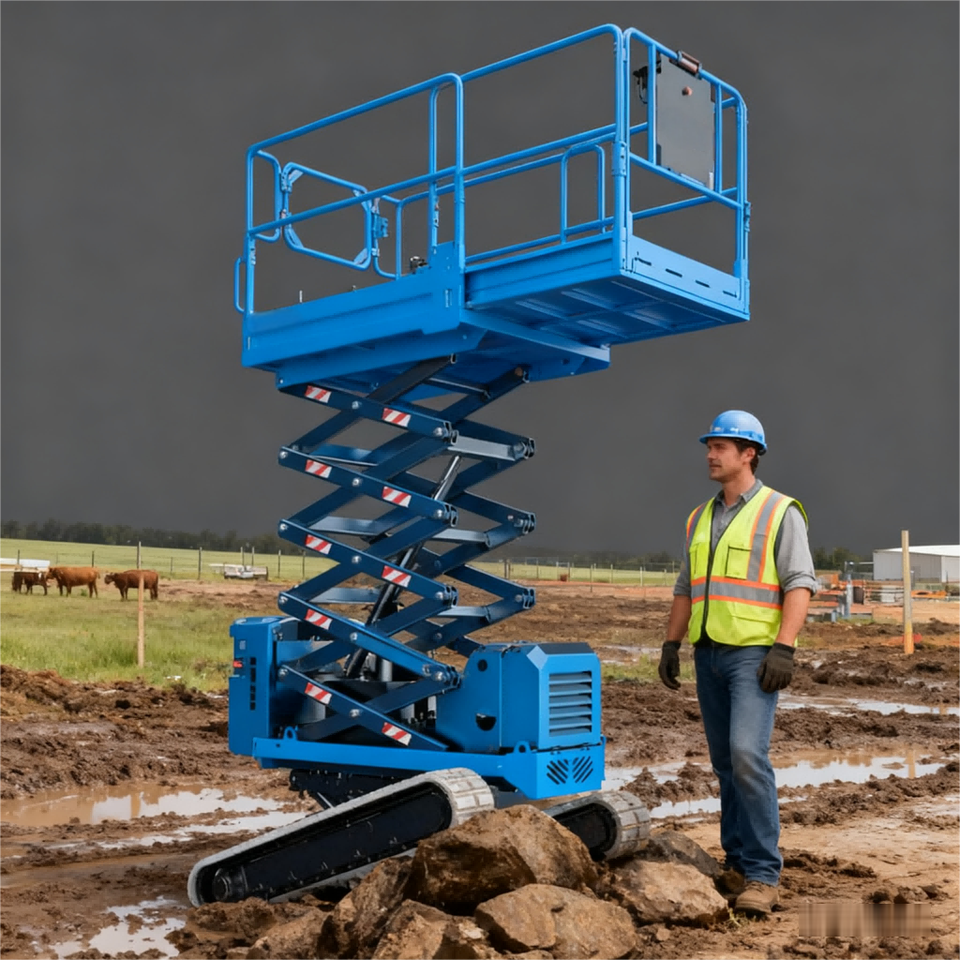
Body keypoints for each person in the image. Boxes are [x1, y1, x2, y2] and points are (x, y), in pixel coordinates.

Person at [658, 410, 817, 917]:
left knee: (748, 755)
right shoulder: (698, 518)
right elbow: (686, 587)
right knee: (726, 763)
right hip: (707, 653)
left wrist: (784, 648)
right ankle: (736, 861)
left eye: (720, 447)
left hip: (753, 656)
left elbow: (800, 583)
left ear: (749, 454)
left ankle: (764, 875)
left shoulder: (779, 511)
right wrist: (671, 644)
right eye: (709, 446)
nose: (710, 454)